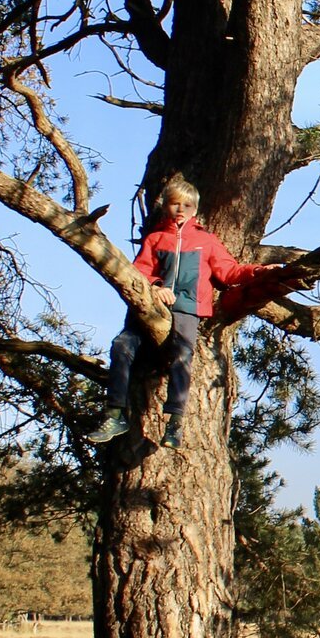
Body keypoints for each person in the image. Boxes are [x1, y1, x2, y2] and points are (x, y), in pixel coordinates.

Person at [85, 178, 298, 448]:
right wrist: (156, 287)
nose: (180, 209)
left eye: (187, 205)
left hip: (188, 307)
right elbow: (139, 270)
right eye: (175, 204)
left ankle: (175, 422)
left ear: (195, 210)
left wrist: (258, 271)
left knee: (183, 354)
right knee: (121, 346)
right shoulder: (155, 238)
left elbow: (229, 270)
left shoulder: (206, 241)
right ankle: (115, 414)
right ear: (166, 207)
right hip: (151, 307)